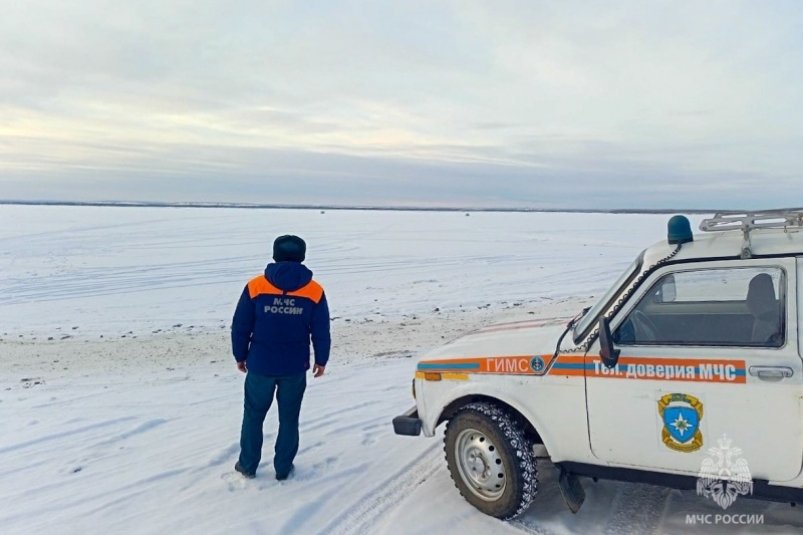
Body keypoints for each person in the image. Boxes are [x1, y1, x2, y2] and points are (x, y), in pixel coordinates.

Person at [231, 234, 330, 480]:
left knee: (253, 415)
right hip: (294, 366)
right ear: (302, 256)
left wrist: (240, 355)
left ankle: (247, 465)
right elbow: (321, 330)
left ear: (275, 254)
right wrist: (321, 359)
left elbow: (241, 325)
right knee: (289, 417)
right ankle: (283, 468)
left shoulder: (256, 286)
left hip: (260, 364)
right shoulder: (314, 290)